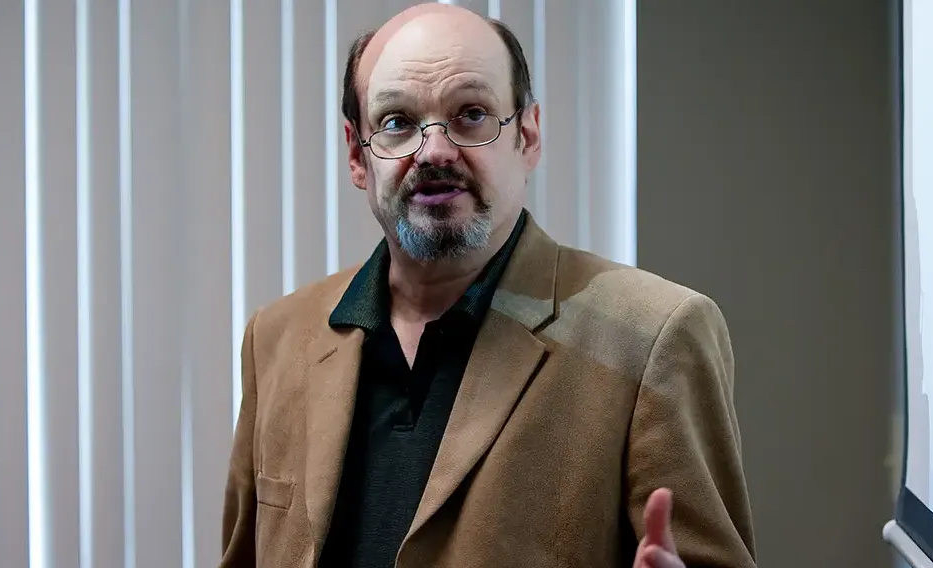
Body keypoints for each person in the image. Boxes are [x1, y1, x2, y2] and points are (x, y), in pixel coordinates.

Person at [217, 4, 755, 567]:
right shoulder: (276, 338)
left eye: (470, 113)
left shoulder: (653, 337)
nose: (435, 151)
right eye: (397, 122)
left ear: (526, 135)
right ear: (358, 153)